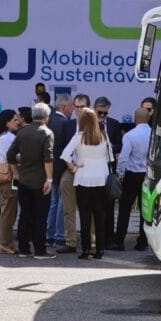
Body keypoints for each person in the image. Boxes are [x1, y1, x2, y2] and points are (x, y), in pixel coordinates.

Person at [62, 106, 115, 259]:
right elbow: (111, 158)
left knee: (85, 215)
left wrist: (73, 166)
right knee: (100, 215)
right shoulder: (104, 136)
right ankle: (99, 249)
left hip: (83, 177)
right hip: (101, 178)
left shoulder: (79, 136)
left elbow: (65, 154)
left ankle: (85, 249)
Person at [6, 105, 55, 258]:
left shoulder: (22, 132)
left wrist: (15, 173)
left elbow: (10, 154)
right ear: (46, 116)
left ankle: (24, 248)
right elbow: (48, 159)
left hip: (24, 179)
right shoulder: (47, 133)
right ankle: (40, 250)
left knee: (25, 214)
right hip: (41, 181)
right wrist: (49, 178)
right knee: (40, 216)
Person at [115, 97, 156, 251]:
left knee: (124, 209)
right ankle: (142, 242)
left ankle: (119, 241)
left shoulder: (129, 136)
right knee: (145, 210)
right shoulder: (154, 135)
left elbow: (124, 158)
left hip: (131, 175)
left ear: (135, 119)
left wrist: (120, 174)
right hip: (147, 175)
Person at [46, 93, 77, 251]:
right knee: (61, 203)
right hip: (62, 168)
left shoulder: (51, 120)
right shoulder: (64, 123)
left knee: (54, 203)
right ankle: (59, 235)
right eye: (72, 106)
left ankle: (50, 235)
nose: (73, 110)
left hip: (52, 167)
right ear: (65, 107)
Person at [0, 107, 22, 254]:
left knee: (10, 211)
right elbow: (7, 158)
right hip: (8, 178)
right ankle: (4, 243)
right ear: (7, 122)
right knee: (8, 211)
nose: (18, 122)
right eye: (14, 120)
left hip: (8, 178)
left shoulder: (7, 137)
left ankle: (8, 242)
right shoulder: (6, 138)